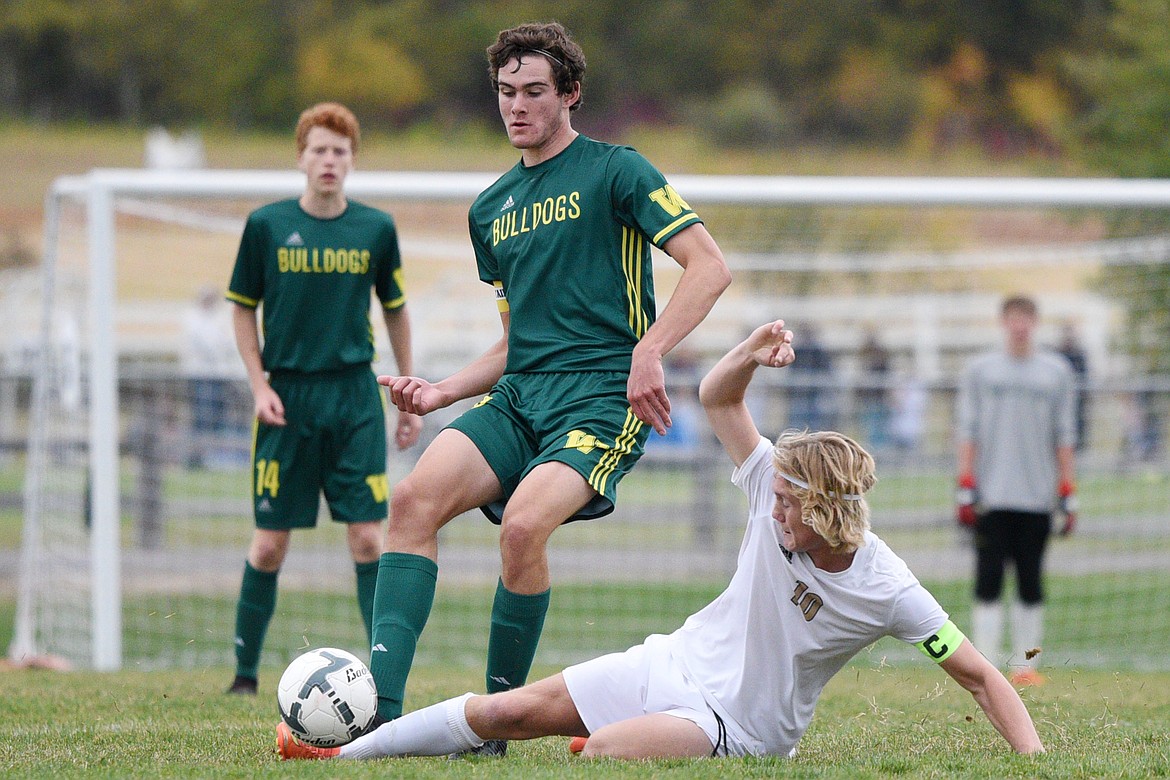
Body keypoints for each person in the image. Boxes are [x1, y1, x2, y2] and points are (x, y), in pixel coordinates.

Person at [276, 319, 1045, 762]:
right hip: (671, 660)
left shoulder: (888, 586)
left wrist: (1036, 762)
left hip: (734, 727)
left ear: (830, 514)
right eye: (772, 493)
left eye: (787, 505)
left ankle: (613, 738)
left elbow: (979, 675)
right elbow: (717, 396)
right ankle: (339, 754)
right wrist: (748, 350)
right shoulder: (773, 485)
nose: (771, 507)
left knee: (608, 758)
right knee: (507, 713)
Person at [368, 21, 732, 752]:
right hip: (520, 396)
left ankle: (494, 724)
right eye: (506, 92)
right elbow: (516, 338)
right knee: (409, 500)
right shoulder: (490, 209)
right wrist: (442, 392)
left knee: (524, 527)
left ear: (569, 93)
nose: (517, 106)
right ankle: (379, 713)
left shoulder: (618, 170)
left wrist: (650, 350)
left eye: (533, 91)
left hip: (600, 397)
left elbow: (710, 267)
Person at [223, 102, 422, 695]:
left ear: (352, 160)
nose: (329, 161)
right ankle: (243, 676)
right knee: (268, 545)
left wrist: (407, 393)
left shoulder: (375, 228)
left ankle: (381, 679)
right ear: (301, 157)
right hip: (286, 399)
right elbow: (241, 308)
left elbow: (395, 310)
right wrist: (259, 386)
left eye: (339, 151)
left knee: (368, 536)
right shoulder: (266, 225)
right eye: (319, 150)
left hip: (355, 399)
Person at [955, 295, 1077, 687]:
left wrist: (1067, 488)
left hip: (1037, 497)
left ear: (1035, 322)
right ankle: (986, 664)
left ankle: (1025, 666)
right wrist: (966, 483)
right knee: (988, 580)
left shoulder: (1056, 372)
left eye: (1027, 318)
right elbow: (967, 430)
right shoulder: (980, 371)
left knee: (1031, 581)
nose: (1020, 325)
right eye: (1014, 318)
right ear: (1003, 321)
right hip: (992, 494)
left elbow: (1065, 435)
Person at [180, 283, 240, 468]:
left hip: (219, 376)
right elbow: (203, 344)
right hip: (200, 375)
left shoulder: (220, 318)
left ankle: (214, 457)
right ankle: (196, 458)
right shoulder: (191, 318)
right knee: (202, 417)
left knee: (217, 417)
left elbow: (228, 343)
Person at [1056, 322, 1089, 450]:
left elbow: (1084, 374)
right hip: (1063, 397)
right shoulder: (1058, 354)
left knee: (1078, 423)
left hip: (1077, 397)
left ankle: (1080, 448)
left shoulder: (1079, 354)